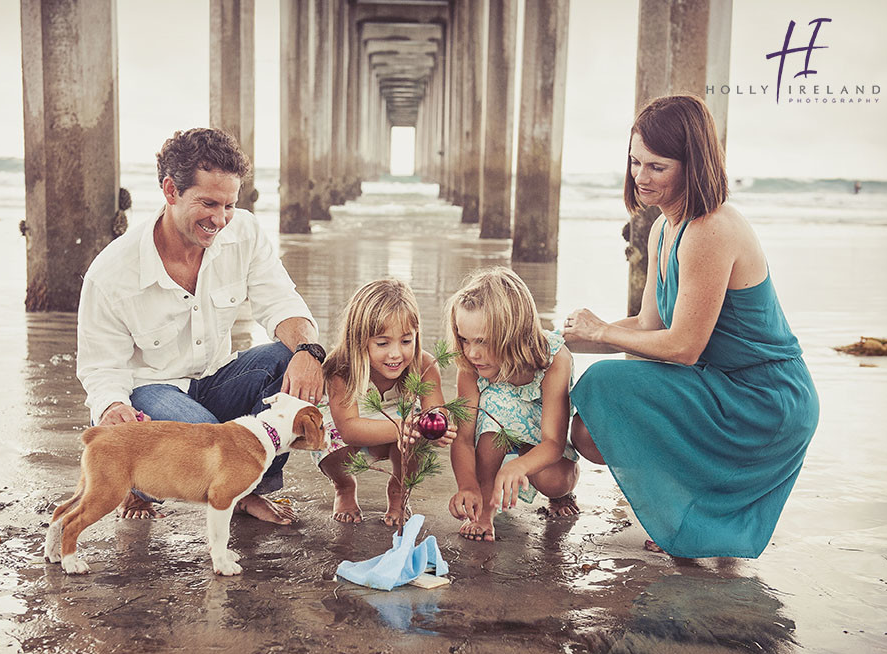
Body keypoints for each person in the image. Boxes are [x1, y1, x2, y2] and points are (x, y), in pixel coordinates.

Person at [564, 95, 819, 558]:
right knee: (588, 427)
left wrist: (600, 332)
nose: (640, 177)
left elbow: (682, 346)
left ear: (692, 165)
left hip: (765, 400)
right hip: (720, 386)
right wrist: (561, 343)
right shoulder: (663, 227)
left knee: (604, 385)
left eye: (657, 167)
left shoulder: (710, 229)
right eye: (635, 162)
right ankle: (690, 511)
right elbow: (647, 325)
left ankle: (688, 515)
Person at [76, 127, 325, 523]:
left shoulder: (244, 232)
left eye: (229, 205)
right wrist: (113, 407)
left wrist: (309, 352)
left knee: (285, 358)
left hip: (216, 377)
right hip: (150, 395)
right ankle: (140, 485)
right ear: (171, 190)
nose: (221, 219)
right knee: (207, 437)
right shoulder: (111, 273)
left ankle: (249, 489)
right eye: (208, 203)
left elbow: (281, 303)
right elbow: (101, 368)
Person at [447, 267, 580, 542]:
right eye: (464, 339)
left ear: (514, 333)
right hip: (495, 436)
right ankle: (485, 508)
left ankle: (562, 494)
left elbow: (553, 442)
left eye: (482, 341)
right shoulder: (470, 365)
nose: (472, 352)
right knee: (493, 417)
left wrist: (518, 467)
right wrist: (468, 486)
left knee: (553, 483)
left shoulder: (554, 359)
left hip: (543, 442)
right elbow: (463, 439)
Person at [313, 278, 457, 525]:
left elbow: (436, 408)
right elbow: (348, 429)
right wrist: (402, 426)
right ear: (359, 339)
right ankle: (344, 486)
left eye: (406, 341)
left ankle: (398, 490)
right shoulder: (341, 368)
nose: (395, 353)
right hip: (351, 431)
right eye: (382, 343)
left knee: (419, 433)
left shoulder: (423, 366)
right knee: (327, 441)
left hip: (401, 428)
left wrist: (438, 426)